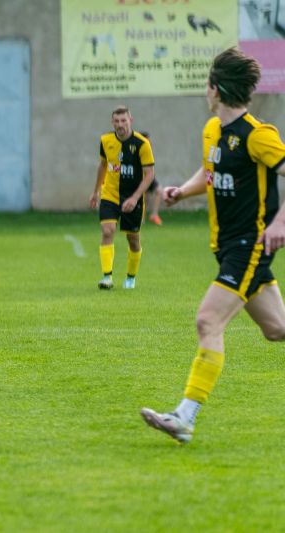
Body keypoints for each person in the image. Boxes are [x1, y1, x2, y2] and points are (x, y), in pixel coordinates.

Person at [141, 47, 285, 444]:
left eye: (207, 84)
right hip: (226, 247)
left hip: (249, 246)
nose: (205, 91)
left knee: (208, 321)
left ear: (215, 88)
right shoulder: (212, 130)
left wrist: (280, 222)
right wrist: (180, 193)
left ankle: (184, 417)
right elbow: (210, 171)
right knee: (277, 329)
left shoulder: (259, 135)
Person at [89, 106, 156, 290]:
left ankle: (131, 277)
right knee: (107, 230)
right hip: (110, 194)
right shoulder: (106, 140)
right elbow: (103, 165)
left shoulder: (142, 144)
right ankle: (107, 277)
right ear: (112, 122)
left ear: (130, 120)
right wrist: (96, 192)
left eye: (123, 120)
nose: (120, 125)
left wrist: (135, 197)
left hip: (132, 198)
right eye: (117, 121)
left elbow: (149, 174)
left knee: (133, 239)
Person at [138, 131, 164, 226]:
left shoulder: (148, 149)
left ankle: (154, 215)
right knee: (145, 198)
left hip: (149, 177)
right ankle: (141, 217)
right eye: (147, 140)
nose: (149, 142)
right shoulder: (138, 150)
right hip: (141, 178)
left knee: (159, 191)